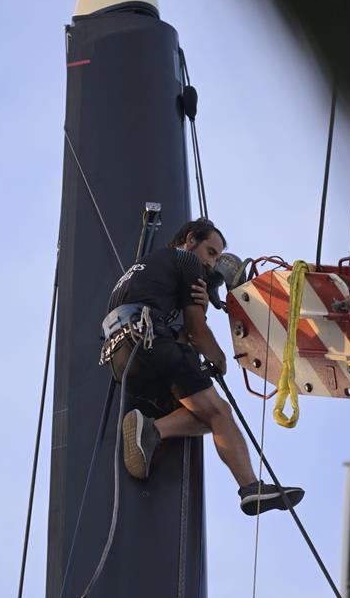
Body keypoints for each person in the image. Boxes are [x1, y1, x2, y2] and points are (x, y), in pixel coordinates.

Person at [102, 218, 304, 516]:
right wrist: (220, 359)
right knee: (221, 412)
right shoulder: (185, 261)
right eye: (211, 252)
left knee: (207, 414)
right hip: (151, 343)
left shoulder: (140, 272)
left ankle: (152, 429)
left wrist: (198, 309)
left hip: (122, 363)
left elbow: (179, 333)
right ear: (191, 239)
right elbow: (196, 334)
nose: (211, 265)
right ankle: (250, 488)